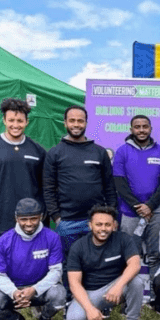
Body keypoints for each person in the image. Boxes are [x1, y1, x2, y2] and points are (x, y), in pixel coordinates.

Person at [43, 105, 117, 267]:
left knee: (97, 264)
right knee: (69, 265)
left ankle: (93, 293)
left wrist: (111, 216)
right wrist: (57, 217)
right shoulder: (55, 153)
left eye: (80, 121)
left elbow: (109, 187)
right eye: (72, 121)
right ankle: (70, 293)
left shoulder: (99, 152)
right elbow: (48, 188)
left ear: (86, 123)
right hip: (67, 221)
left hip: (96, 221)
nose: (76, 124)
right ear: (65, 123)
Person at [113, 115, 160, 300]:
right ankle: (131, 297)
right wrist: (138, 207)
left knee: (156, 254)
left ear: (151, 128)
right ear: (131, 129)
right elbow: (119, 183)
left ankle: (156, 297)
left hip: (157, 212)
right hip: (130, 213)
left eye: (144, 126)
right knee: (131, 257)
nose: (141, 130)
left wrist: (150, 206)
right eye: (137, 127)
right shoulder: (122, 151)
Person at [66, 205, 144, 320]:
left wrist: (118, 286)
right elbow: (74, 283)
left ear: (114, 225)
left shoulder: (123, 239)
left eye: (107, 224)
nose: (103, 229)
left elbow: (135, 264)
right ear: (90, 225)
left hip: (116, 288)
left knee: (136, 282)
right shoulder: (78, 247)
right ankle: (95, 313)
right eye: (98, 224)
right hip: (90, 292)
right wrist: (89, 309)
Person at [0, 198, 65, 320]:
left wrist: (35, 289)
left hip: (41, 289)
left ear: (41, 217)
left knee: (60, 296)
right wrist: (14, 292)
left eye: (33, 219)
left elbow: (56, 271)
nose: (29, 224)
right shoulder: (3, 240)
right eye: (24, 219)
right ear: (16, 218)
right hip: (14, 290)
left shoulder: (52, 237)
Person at [0, 98, 46, 256]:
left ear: (27, 122)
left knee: (25, 264)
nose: (16, 125)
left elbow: (45, 185)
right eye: (11, 120)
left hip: (28, 221)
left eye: (20, 121)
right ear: (4, 120)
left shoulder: (38, 150)